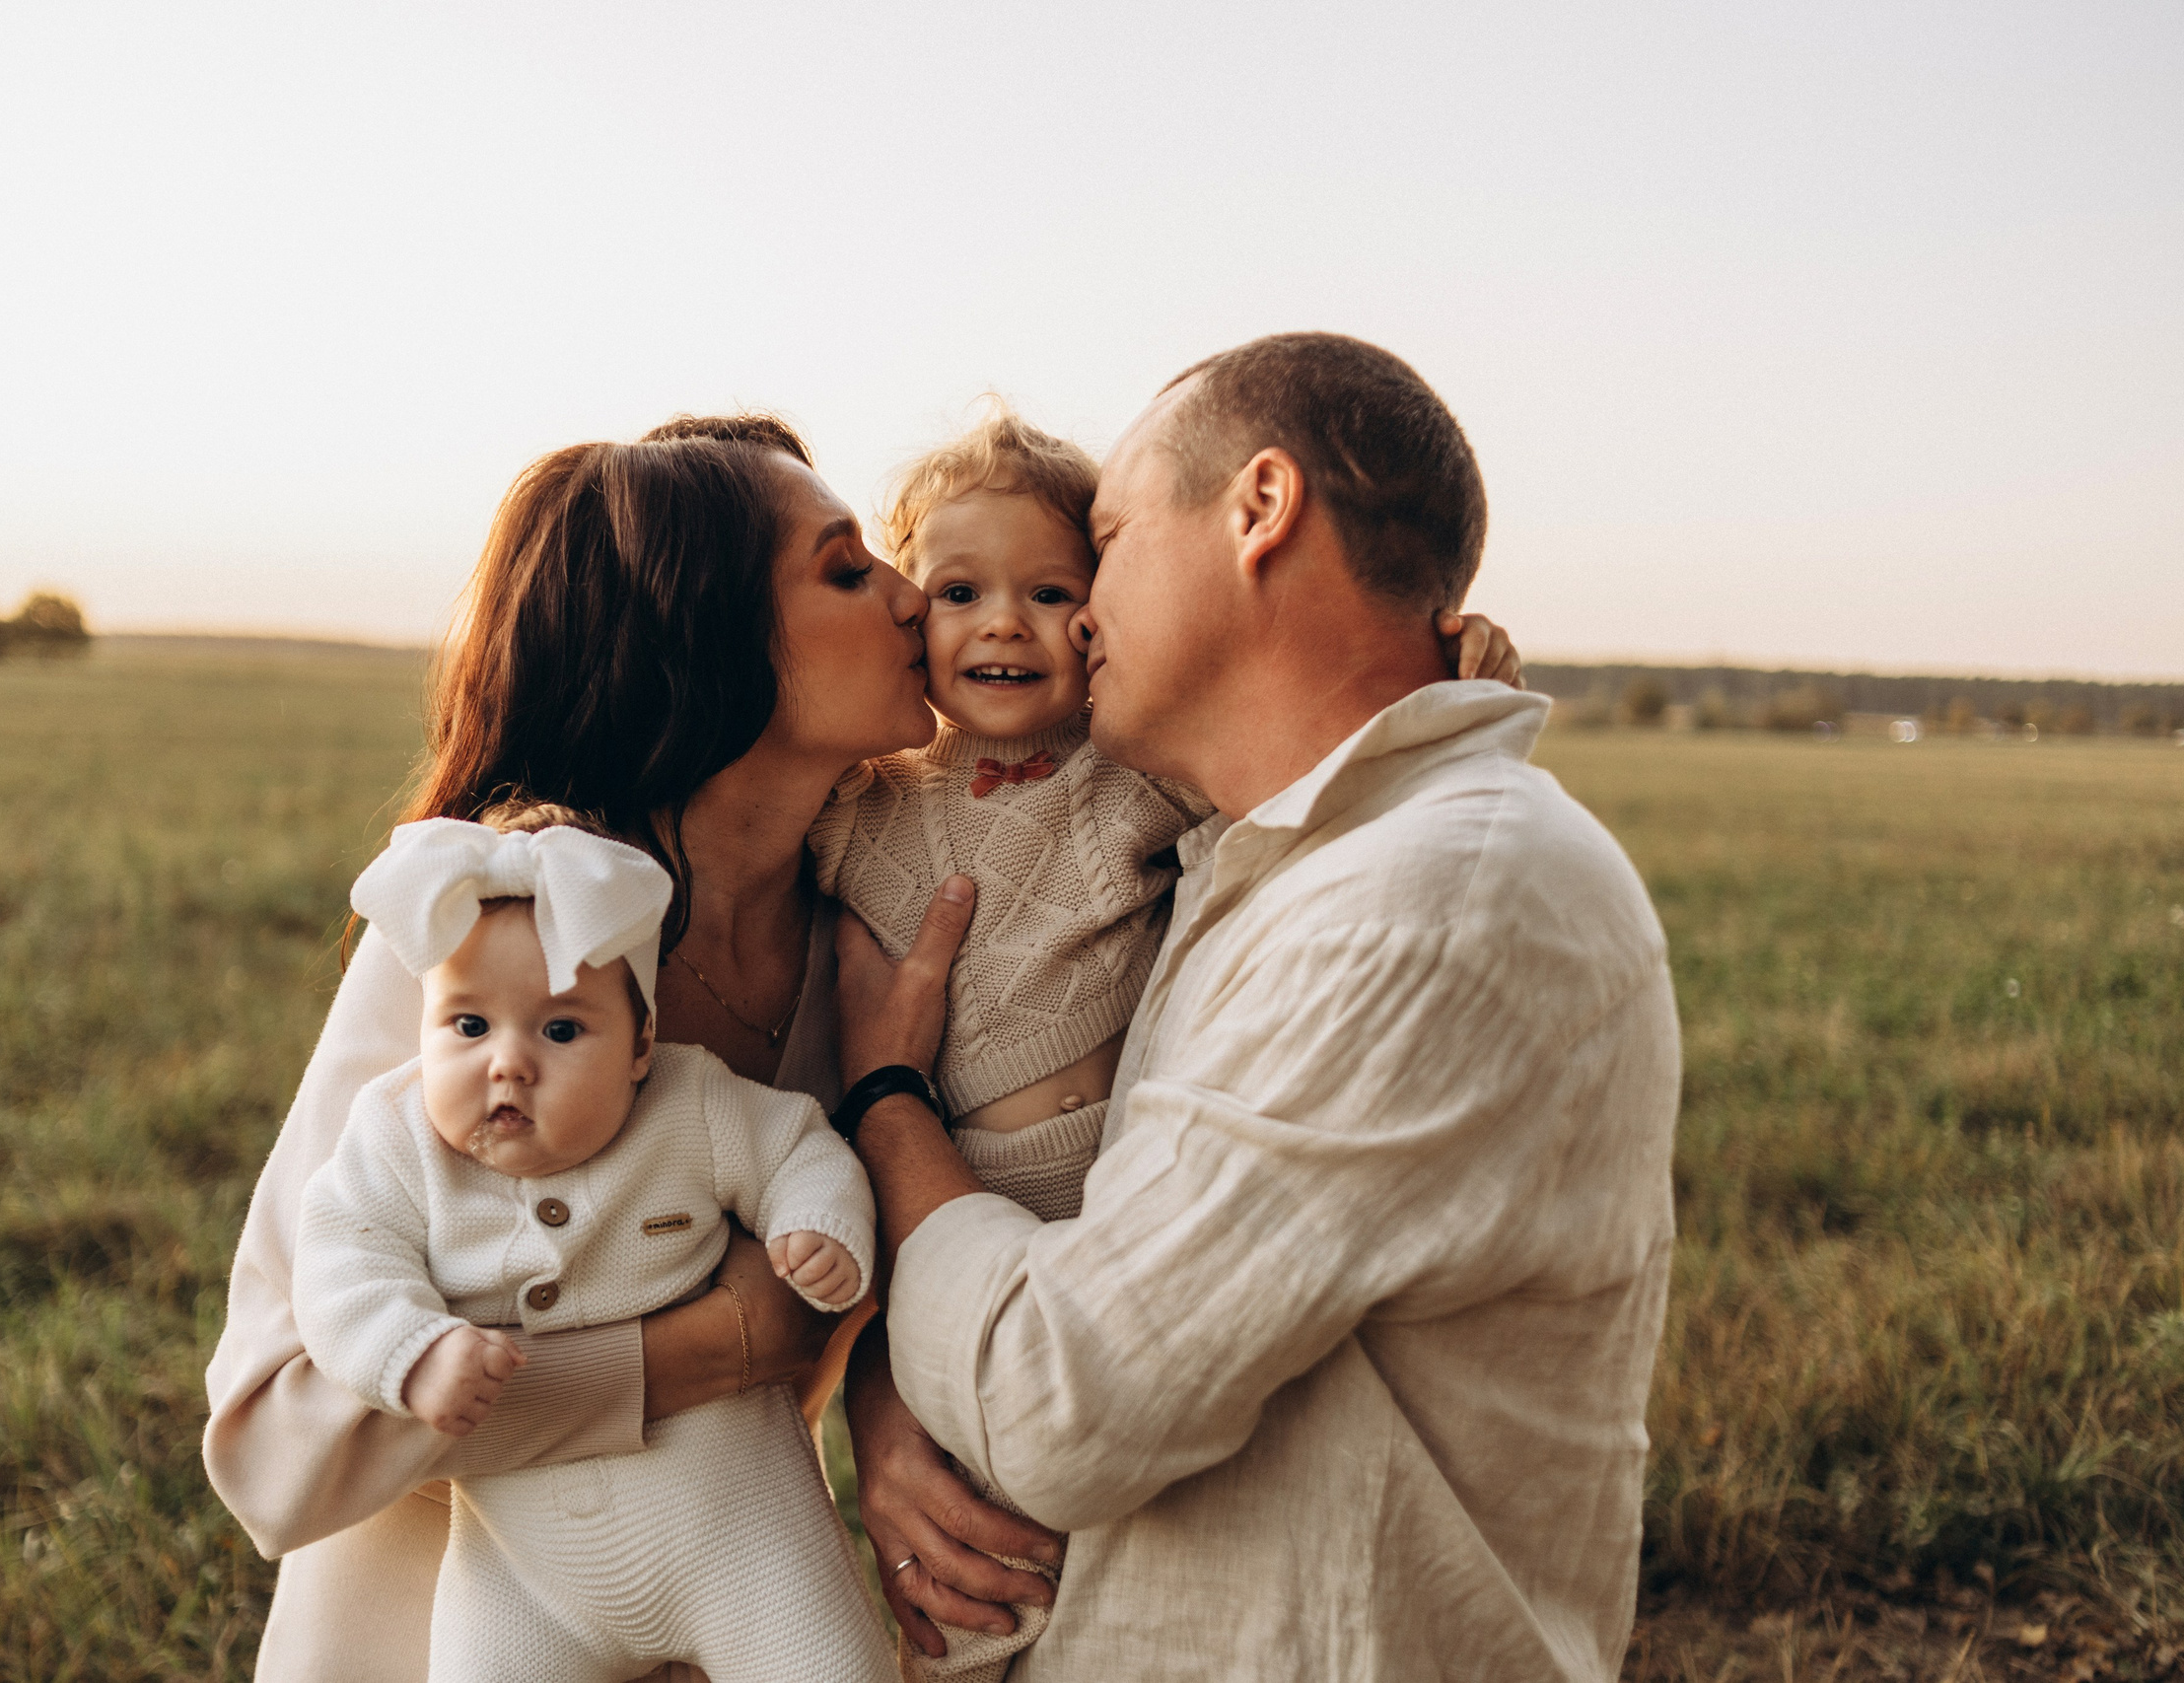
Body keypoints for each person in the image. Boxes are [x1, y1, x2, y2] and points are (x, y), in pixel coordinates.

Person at [204, 403, 1520, 1681]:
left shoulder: (868, 926)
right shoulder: (495, 931)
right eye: (847, 570)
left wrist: (885, 1414)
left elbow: (923, 1215)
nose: (909, 593)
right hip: (437, 1630)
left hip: (732, 1603)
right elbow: (271, 1437)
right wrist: (715, 1348)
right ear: (711, 643)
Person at [838, 332, 1681, 1680]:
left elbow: (1058, 1392)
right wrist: (891, 1399)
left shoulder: (1424, 898)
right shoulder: (1257, 857)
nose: (1082, 612)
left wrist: (888, 1102)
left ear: (1260, 509)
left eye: (1103, 544)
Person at [294, 810, 887, 1681]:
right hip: (526, 1578)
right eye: (468, 1025)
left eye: (561, 1030)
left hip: (740, 1534)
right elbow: (341, 1261)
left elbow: (799, 1146)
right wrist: (412, 1348)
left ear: (643, 1044)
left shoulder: (689, 1104)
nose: (508, 1063)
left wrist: (818, 1224)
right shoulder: (395, 1138)